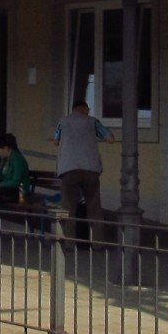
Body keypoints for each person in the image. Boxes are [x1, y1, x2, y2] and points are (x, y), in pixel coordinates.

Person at [52, 97, 112, 239]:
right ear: (85, 109)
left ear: (73, 109)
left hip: (69, 169)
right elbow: (110, 139)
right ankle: (97, 243)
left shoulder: (63, 121)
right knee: (94, 207)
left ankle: (68, 244)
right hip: (91, 170)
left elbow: (56, 141)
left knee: (68, 208)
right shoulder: (93, 121)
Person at [0, 133, 32, 209]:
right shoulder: (4, 159)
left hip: (19, 192)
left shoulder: (17, 159)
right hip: (8, 190)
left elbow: (16, 181)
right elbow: (2, 178)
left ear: (6, 148)